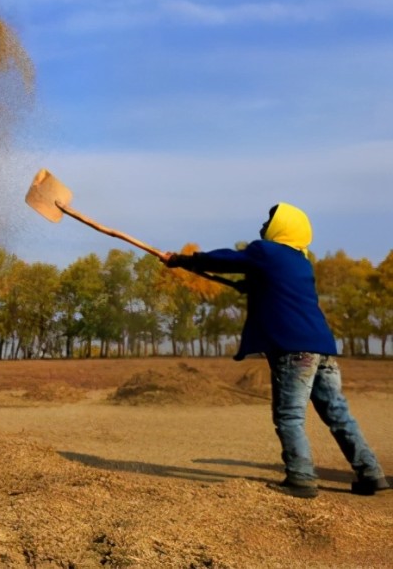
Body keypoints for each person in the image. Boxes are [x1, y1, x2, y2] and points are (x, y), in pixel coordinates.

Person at [163, 203, 389, 499]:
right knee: (337, 413)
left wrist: (181, 259)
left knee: (290, 416)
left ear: (283, 227)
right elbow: (276, 288)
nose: (263, 224)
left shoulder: (265, 251)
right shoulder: (300, 261)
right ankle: (371, 475)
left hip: (293, 350)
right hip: (321, 346)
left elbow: (228, 260)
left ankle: (301, 478)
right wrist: (250, 286)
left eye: (269, 220)